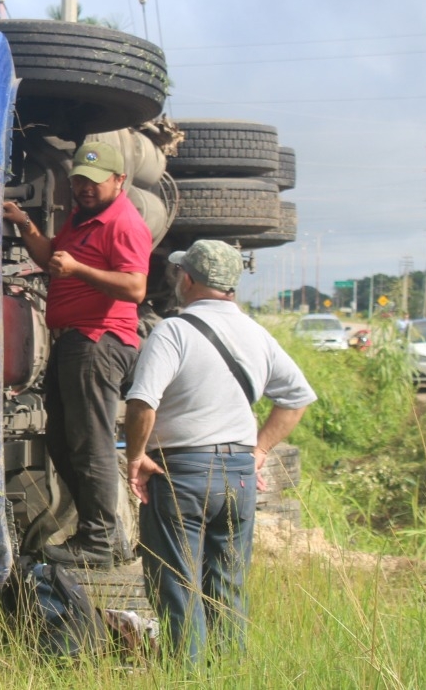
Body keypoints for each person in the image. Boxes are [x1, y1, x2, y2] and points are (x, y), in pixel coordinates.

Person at [123, 239, 316, 664]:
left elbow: (142, 402)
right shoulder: (257, 334)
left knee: (176, 584)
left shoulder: (173, 330)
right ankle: (229, 672)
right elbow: (297, 397)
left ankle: (187, 676)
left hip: (182, 471)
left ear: (188, 279)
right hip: (240, 473)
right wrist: (261, 449)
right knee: (228, 582)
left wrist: (135, 457)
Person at [3, 140, 151, 569]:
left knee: (90, 444)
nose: (85, 189)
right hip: (76, 341)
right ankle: (107, 536)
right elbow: (54, 258)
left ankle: (100, 542)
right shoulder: (84, 219)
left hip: (99, 341)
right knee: (65, 442)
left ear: (119, 180)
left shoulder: (122, 223)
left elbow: (135, 288)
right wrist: (27, 227)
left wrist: (80, 271)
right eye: (79, 181)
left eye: (95, 182)